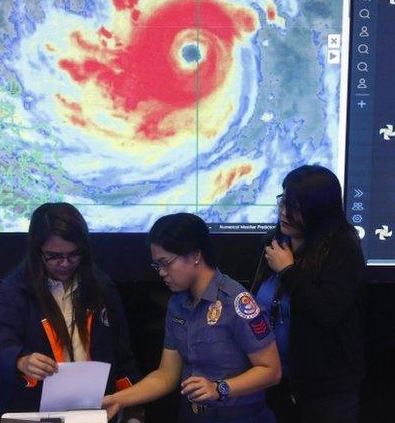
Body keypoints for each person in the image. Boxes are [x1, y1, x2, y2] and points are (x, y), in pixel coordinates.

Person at [103, 213, 281, 422]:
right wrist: (118, 399)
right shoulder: (177, 305)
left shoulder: (236, 302)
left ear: (195, 255)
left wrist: (220, 389)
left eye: (166, 263)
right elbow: (166, 376)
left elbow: (271, 370)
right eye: (157, 265)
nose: (161, 272)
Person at [0, 202, 142, 423]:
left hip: (92, 411)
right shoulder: (15, 289)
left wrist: (133, 409)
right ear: (37, 252)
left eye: (74, 255)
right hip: (31, 411)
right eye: (54, 256)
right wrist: (20, 360)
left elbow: (122, 354)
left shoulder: (101, 287)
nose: (65, 263)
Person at [251, 165, 365, 422]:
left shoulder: (342, 249)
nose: (283, 212)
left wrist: (288, 271)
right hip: (275, 378)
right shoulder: (275, 241)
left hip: (325, 387)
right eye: (283, 201)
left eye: (295, 207)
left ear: (318, 210)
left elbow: (326, 311)